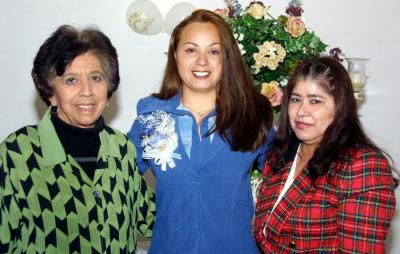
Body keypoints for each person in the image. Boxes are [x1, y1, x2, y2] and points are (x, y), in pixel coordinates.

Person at [127, 9, 274, 254]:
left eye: (213, 51)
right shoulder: (151, 118)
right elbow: (118, 177)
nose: (202, 61)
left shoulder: (252, 117)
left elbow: (291, 175)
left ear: (226, 58)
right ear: (175, 55)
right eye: (191, 50)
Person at [0, 25, 155, 253]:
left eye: (96, 77)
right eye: (71, 80)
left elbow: (154, 220)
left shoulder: (122, 149)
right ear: (51, 92)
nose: (87, 91)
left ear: (108, 88)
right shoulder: (16, 154)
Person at [253, 56, 397, 253]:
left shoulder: (360, 165)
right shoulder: (281, 154)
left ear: (339, 107)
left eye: (315, 101)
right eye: (296, 99)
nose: (302, 111)